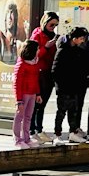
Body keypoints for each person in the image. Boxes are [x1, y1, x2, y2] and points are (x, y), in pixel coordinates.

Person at [52, 27, 89, 142]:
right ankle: (57, 134)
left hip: (75, 87)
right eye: (81, 38)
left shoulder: (78, 50)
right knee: (61, 112)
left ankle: (73, 132)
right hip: (64, 87)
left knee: (73, 112)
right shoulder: (63, 51)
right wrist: (60, 86)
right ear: (74, 38)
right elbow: (55, 71)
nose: (83, 41)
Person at [29, 11, 60, 140]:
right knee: (36, 103)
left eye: (55, 25)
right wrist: (46, 47)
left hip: (49, 72)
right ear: (45, 22)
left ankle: (39, 128)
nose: (53, 28)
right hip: (40, 72)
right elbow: (33, 54)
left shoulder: (54, 35)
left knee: (43, 103)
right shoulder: (37, 34)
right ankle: (32, 130)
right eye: (51, 24)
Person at [13, 40, 42, 148]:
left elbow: (36, 79)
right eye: (37, 49)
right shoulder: (21, 65)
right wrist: (18, 100)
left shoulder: (35, 63)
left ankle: (26, 138)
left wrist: (38, 94)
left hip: (32, 94)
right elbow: (17, 83)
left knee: (28, 117)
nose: (39, 51)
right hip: (23, 94)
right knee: (19, 117)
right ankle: (17, 139)